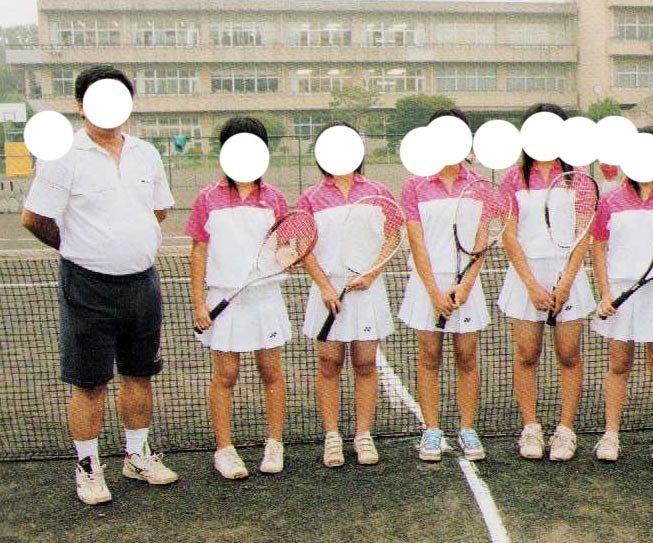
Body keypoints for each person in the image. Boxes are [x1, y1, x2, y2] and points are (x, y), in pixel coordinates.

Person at [20, 65, 178, 505]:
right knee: (89, 382)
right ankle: (88, 467)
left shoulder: (146, 153)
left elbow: (158, 210)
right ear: (80, 105)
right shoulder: (63, 156)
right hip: (87, 286)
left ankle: (137, 456)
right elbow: (34, 218)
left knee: (139, 374)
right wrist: (78, 246)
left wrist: (127, 239)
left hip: (142, 283)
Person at [187, 117, 290, 479]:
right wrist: (199, 302)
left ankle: (275, 443)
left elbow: (285, 246)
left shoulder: (275, 198)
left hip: (265, 298)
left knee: (271, 371)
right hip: (224, 297)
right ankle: (224, 450)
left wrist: (289, 255)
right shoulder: (207, 199)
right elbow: (199, 251)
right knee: (226, 374)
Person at [498, 103, 596, 461]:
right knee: (527, 354)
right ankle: (531, 428)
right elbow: (509, 235)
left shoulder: (579, 177)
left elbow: (584, 233)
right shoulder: (513, 179)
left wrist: (566, 282)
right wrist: (531, 285)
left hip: (569, 279)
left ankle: (566, 431)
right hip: (526, 279)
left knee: (569, 355)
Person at [298, 123, 396, 468]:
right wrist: (325, 285)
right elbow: (304, 247)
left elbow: (393, 236)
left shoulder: (378, 191)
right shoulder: (310, 198)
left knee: (366, 363)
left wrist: (372, 273)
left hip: (367, 289)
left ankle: (363, 435)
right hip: (327, 292)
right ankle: (332, 437)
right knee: (329, 363)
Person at [590, 132, 653, 465]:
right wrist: (605, 293)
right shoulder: (611, 199)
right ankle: (611, 435)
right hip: (622, 295)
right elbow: (599, 248)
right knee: (618, 365)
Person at [398, 108, 489, 462]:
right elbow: (417, 241)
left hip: (467, 286)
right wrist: (434, 291)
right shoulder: (414, 186)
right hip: (428, 286)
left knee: (467, 356)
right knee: (429, 357)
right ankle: (432, 430)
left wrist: (465, 286)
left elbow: (481, 240)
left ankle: (467, 428)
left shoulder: (479, 185)